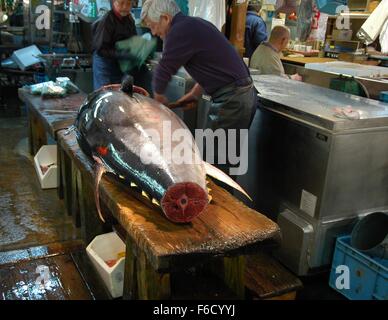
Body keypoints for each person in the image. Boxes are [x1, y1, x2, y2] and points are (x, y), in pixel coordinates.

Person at [141, 0, 257, 175]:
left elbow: (164, 69)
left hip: (232, 100)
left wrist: (158, 103)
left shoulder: (179, 31)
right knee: (221, 161)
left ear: (165, 18)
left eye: (153, 26)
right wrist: (195, 93)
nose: (154, 32)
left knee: (216, 165)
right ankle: (216, 200)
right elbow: (215, 65)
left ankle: (215, 202)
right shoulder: (193, 25)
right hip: (239, 97)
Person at [92, 0, 137, 90]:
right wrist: (122, 54)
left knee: (118, 95)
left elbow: (134, 41)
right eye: (121, 3)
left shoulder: (130, 20)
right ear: (114, 3)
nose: (125, 7)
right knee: (104, 94)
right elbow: (101, 49)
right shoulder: (106, 20)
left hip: (118, 63)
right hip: (104, 63)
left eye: (128, 4)